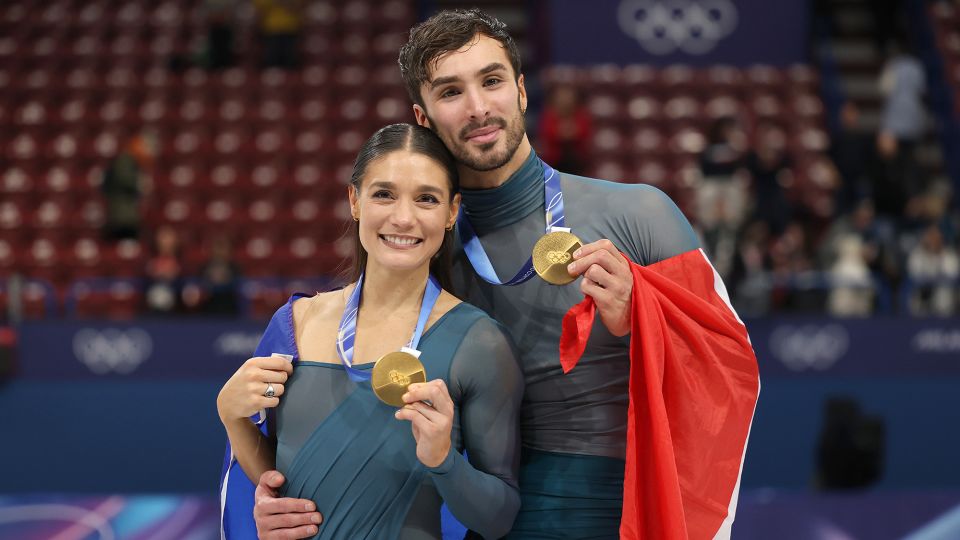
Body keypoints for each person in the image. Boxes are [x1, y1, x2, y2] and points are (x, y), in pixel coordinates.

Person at [253, 10, 759, 540]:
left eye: (491, 81)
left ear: (520, 90)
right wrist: (277, 498)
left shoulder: (641, 216)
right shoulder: (424, 252)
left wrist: (647, 317)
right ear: (423, 119)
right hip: (498, 521)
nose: (478, 108)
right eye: (450, 92)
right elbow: (366, 414)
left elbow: (734, 369)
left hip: (634, 515)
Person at [218, 124, 524, 539]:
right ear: (354, 200)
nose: (403, 217)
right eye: (384, 194)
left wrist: (443, 460)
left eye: (427, 199)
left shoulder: (480, 343)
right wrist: (232, 417)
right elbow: (276, 480)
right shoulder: (295, 322)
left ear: (452, 212)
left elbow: (498, 518)